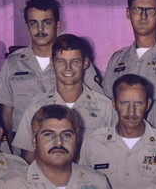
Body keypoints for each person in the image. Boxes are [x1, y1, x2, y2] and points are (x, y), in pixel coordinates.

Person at [0, 0, 102, 144]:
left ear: (57, 25)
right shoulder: (12, 63)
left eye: (46, 22)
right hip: (25, 147)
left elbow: (97, 104)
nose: (40, 29)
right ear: (26, 26)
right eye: (33, 23)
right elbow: (7, 116)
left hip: (67, 144)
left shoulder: (75, 62)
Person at [12, 34, 115, 162]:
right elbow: (27, 158)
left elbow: (114, 155)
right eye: (61, 61)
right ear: (52, 63)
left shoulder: (105, 107)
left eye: (75, 61)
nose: (68, 68)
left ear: (85, 63)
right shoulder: (37, 106)